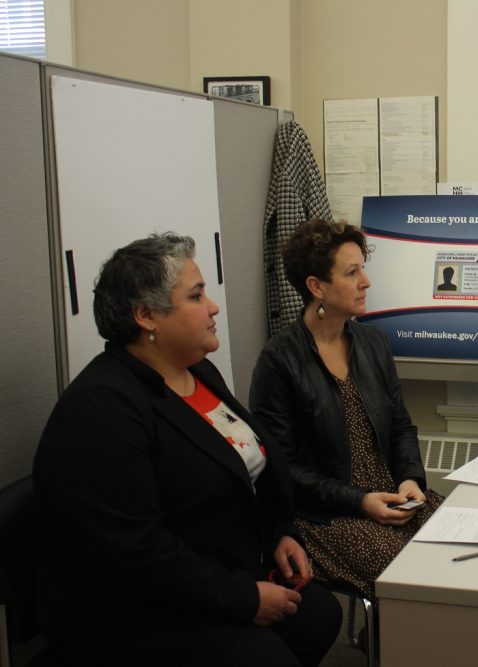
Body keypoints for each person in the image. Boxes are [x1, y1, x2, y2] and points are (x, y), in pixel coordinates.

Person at [33, 234, 342, 667]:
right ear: (146, 316)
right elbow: (138, 554)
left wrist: (278, 534)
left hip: (216, 566)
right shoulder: (101, 410)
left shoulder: (196, 370)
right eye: (196, 296)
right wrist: (243, 597)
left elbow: (248, 467)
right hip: (135, 609)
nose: (213, 307)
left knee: (319, 616)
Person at [249, 218, 443, 597]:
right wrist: (360, 501)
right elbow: (282, 468)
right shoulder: (279, 361)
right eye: (352, 272)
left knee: (463, 543)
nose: (366, 282)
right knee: (418, 576)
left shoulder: (372, 343)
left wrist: (410, 480)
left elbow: (401, 426)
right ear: (316, 287)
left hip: (392, 497)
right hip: (327, 514)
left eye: (363, 269)